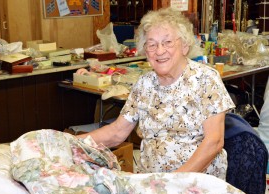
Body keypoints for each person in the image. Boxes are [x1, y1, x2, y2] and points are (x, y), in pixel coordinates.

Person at [77, 7, 235, 180]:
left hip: (195, 183)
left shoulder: (205, 79)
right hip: (151, 181)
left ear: (184, 46)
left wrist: (172, 181)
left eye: (167, 42)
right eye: (152, 44)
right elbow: (117, 132)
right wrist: (72, 142)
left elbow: (214, 142)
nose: (159, 51)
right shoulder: (144, 84)